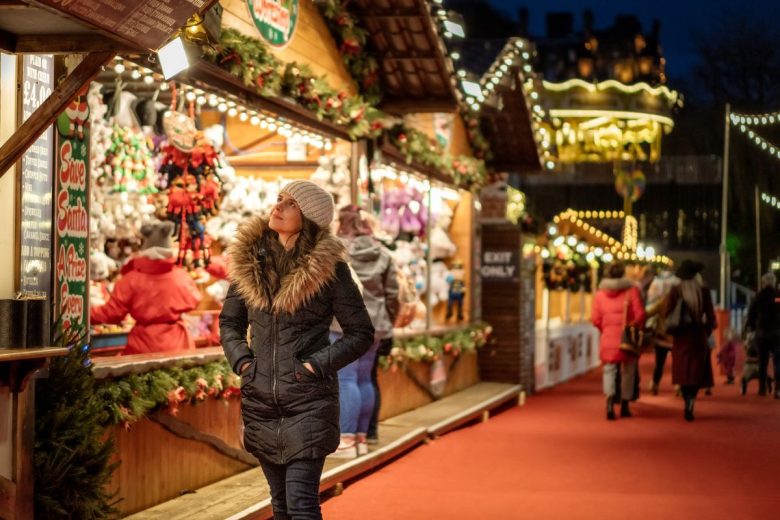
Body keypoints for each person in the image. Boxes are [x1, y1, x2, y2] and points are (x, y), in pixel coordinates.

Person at [220, 181, 374, 519]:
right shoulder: (250, 264)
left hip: (309, 401)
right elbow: (229, 324)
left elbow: (361, 333)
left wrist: (314, 366)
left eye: (290, 204)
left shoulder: (329, 270)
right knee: (280, 505)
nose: (278, 207)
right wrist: (244, 363)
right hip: (261, 402)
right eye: (279, 199)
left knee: (301, 503)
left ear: (309, 218)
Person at [331, 205, 399, 457]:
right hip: (376, 324)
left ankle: (346, 440)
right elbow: (393, 294)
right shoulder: (382, 252)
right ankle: (361, 437)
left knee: (345, 379)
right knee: (364, 378)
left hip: (343, 324)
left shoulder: (336, 250)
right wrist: (387, 320)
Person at [91, 220, 201, 354]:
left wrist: (84, 314)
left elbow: (111, 313)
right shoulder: (182, 277)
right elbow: (195, 300)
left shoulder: (130, 280)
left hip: (144, 346)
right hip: (179, 345)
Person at [591, 262, 646, 420]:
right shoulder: (631, 290)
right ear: (623, 274)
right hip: (626, 338)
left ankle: (609, 402)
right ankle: (624, 405)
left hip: (608, 337)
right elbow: (640, 314)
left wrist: (606, 329)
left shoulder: (600, 294)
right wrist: (633, 326)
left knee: (609, 370)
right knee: (628, 371)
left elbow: (595, 319)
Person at [663, 260, 716, 421]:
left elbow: (667, 312)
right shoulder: (703, 291)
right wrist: (706, 332)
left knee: (682, 371)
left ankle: (686, 400)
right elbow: (711, 316)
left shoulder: (675, 290)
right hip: (697, 335)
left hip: (680, 336)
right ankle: (692, 399)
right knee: (696, 371)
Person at [744, 272, 780, 398]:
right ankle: (778, 389)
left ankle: (762, 388)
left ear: (763, 283)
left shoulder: (758, 296)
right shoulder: (778, 296)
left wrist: (752, 328)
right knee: (778, 361)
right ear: (774, 282)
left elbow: (751, 314)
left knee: (762, 362)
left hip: (762, 333)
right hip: (777, 332)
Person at [645, 268, 680, 395]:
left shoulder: (662, 302)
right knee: (677, 363)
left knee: (659, 363)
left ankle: (654, 384)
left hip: (662, 336)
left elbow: (649, 313)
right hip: (676, 336)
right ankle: (678, 385)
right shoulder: (680, 302)